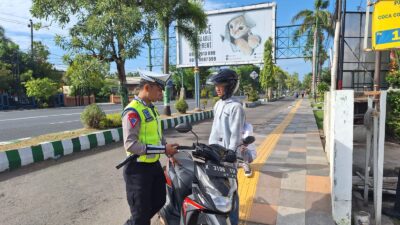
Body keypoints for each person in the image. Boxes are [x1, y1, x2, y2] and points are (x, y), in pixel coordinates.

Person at [121, 70, 178, 225]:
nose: (161, 93)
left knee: (159, 200)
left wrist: (167, 150)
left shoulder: (151, 108)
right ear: (147, 87)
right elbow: (131, 144)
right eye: (158, 89)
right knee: (140, 216)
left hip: (153, 165)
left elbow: (157, 135)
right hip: (137, 170)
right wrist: (163, 150)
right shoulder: (132, 111)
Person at [207, 69, 247, 225]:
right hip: (213, 155)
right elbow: (215, 130)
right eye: (216, 85)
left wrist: (231, 152)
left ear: (230, 86)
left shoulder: (236, 107)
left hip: (228, 158)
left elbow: (236, 133)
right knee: (216, 189)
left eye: (220, 84)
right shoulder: (218, 104)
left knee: (231, 192)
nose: (217, 88)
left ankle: (234, 221)